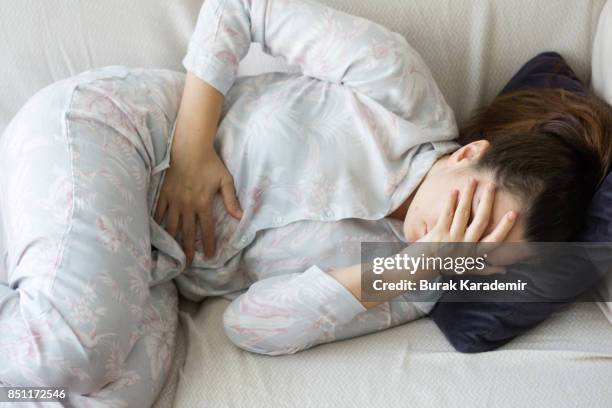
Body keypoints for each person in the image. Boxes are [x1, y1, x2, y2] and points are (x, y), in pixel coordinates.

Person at [0, 0, 611, 405]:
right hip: (128, 138)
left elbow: (249, 326)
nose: (455, 238)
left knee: (109, 394)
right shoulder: (401, 96)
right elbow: (243, 5)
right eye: (472, 212)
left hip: (160, 266)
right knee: (79, 346)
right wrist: (191, 148)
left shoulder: (414, 284)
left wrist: (413, 266)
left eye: (479, 255)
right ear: (467, 154)